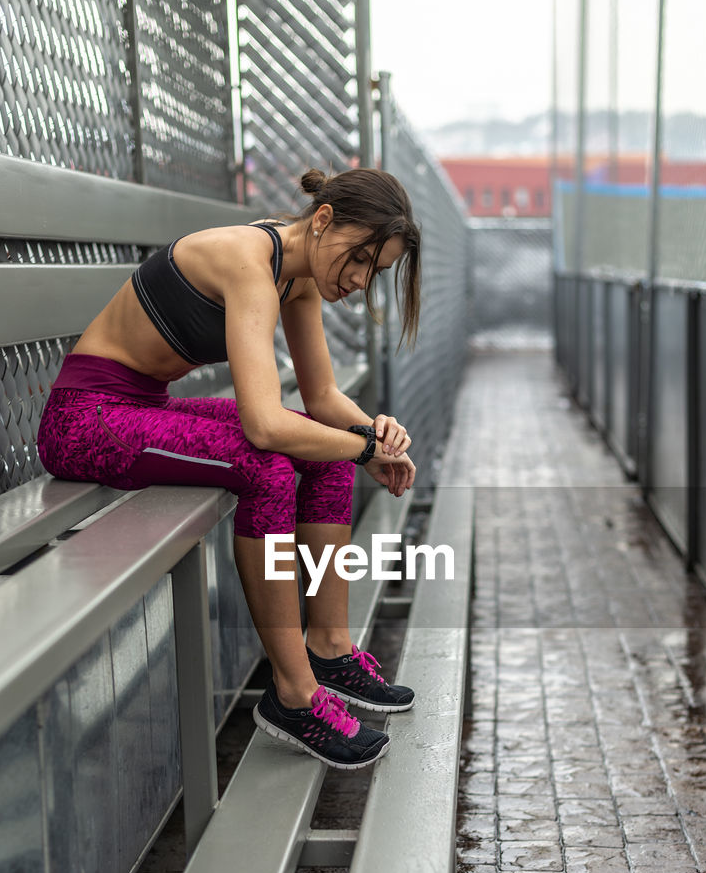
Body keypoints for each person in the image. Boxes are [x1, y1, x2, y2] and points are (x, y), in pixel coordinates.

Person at [37, 166, 421, 770]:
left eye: (374, 271)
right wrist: (361, 447)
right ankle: (294, 695)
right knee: (265, 463)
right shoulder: (249, 263)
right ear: (323, 221)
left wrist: (373, 434)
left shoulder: (295, 278)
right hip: (86, 420)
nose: (358, 279)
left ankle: (329, 646)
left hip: (143, 408)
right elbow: (264, 426)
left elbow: (321, 400)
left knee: (328, 448)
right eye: (359, 259)